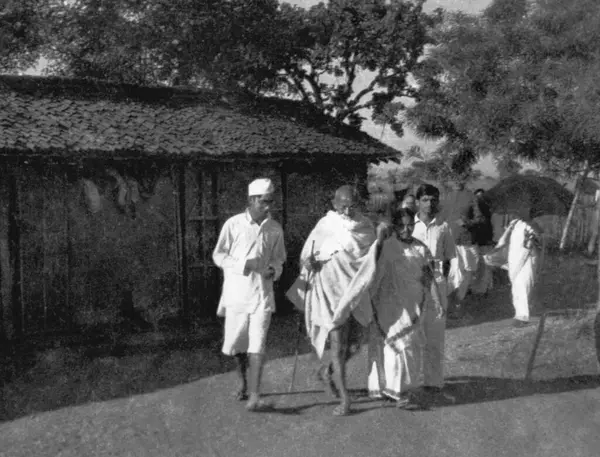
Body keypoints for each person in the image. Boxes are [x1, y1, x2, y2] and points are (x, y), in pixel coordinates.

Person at [286, 185, 377, 416]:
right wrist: (309, 263)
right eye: (343, 204)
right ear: (335, 204)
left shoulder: (366, 227)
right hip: (330, 291)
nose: (347, 209)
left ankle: (327, 372)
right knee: (338, 346)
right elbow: (307, 256)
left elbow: (372, 260)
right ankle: (345, 400)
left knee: (355, 345)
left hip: (355, 292)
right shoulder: (326, 225)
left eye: (352, 204)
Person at [349, 208, 445, 408]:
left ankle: (400, 390)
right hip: (388, 304)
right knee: (396, 345)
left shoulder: (421, 248)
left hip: (414, 302)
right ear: (395, 226)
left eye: (410, 224)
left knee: (410, 344)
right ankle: (395, 392)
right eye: (401, 225)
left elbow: (428, 276)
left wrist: (437, 300)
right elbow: (372, 273)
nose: (406, 229)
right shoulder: (387, 247)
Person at [212, 178, 287, 412]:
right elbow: (219, 256)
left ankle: (255, 394)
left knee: (258, 344)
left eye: (271, 202)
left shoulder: (274, 228)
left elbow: (279, 258)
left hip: (262, 296)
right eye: (264, 202)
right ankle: (243, 381)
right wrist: (245, 264)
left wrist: (274, 270)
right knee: (237, 345)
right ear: (252, 200)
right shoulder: (233, 225)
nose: (269, 207)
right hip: (237, 295)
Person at [411, 184, 455, 395]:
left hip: (437, 280)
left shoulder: (443, 227)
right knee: (411, 334)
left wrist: (441, 284)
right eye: (425, 199)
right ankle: (407, 382)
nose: (429, 204)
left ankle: (433, 381)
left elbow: (447, 259)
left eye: (433, 200)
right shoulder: (409, 226)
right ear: (418, 201)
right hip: (411, 282)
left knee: (435, 334)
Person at [484, 204, 542, 327]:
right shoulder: (515, 223)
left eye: (524, 209)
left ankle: (523, 316)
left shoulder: (533, 224)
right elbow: (505, 239)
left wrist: (533, 237)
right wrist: (497, 249)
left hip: (528, 257)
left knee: (524, 283)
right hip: (514, 255)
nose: (520, 212)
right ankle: (518, 313)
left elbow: (540, 240)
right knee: (516, 285)